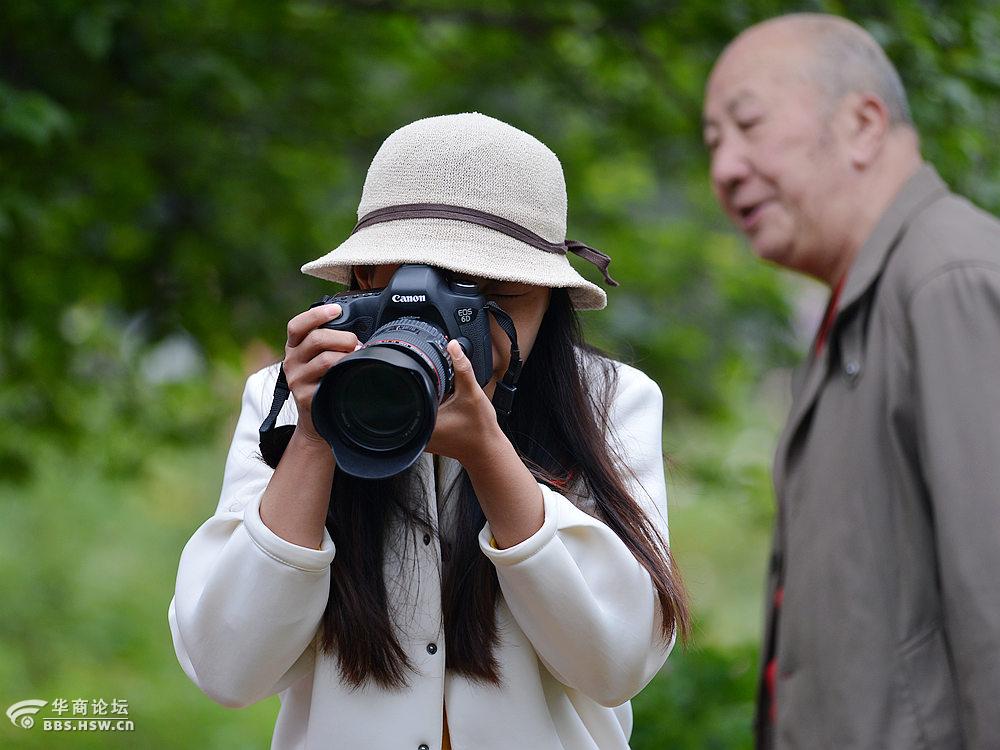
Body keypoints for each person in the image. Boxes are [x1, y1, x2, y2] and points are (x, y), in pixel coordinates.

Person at [168, 112, 689, 750]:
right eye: (412, 282)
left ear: (549, 297)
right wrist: (316, 435)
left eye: (487, 295)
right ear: (365, 279)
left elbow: (617, 664)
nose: (446, 325)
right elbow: (226, 670)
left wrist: (490, 456)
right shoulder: (294, 396)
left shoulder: (607, 400)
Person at [703, 13, 1000, 750]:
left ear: (863, 125)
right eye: (713, 143)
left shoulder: (949, 279)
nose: (725, 169)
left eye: (748, 126)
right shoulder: (861, 303)